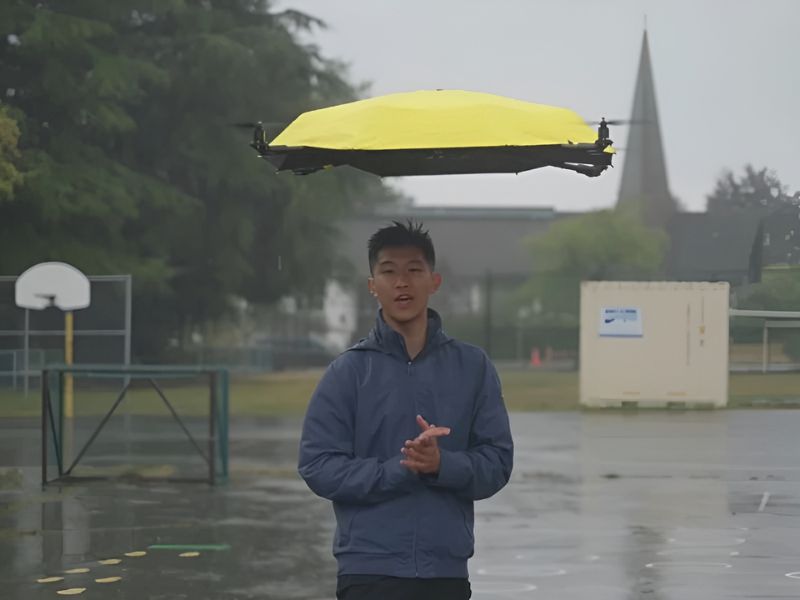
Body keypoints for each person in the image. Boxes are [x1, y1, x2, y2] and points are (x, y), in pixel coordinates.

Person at [298, 220, 514, 600]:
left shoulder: (473, 367)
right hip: (367, 571)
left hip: (444, 572)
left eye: (414, 270)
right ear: (372, 285)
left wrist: (441, 466)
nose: (402, 282)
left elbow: (497, 462)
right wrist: (397, 470)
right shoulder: (347, 372)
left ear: (434, 281)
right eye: (389, 272)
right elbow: (318, 465)